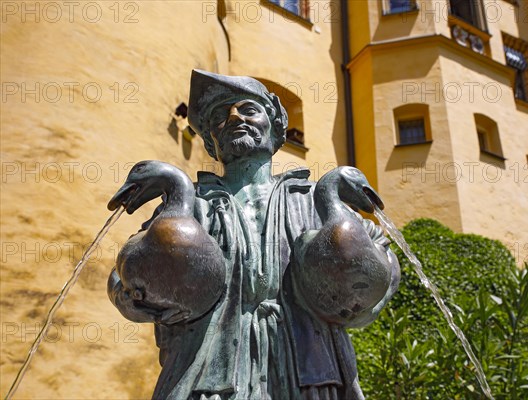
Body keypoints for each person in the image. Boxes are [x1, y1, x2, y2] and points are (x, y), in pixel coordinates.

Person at [108, 70, 400, 400]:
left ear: (275, 127)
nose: (234, 117)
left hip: (309, 369)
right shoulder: (191, 205)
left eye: (248, 109)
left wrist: (367, 302)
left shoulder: (310, 199)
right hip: (210, 372)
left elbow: (381, 253)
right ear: (210, 140)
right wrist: (144, 303)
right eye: (219, 116)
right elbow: (124, 275)